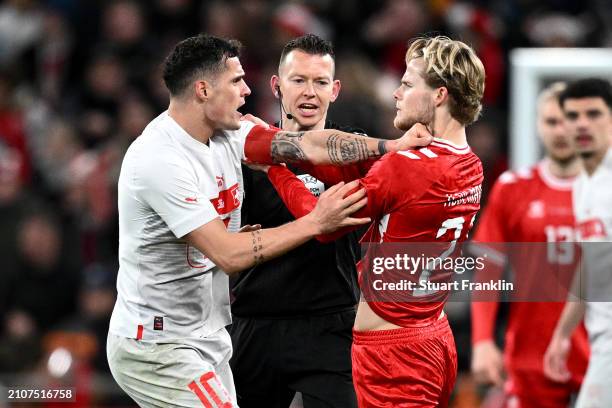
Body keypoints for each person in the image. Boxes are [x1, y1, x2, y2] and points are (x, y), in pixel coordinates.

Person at [106, 33, 427, 408]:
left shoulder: (231, 136)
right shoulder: (159, 160)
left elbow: (310, 145)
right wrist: (313, 222)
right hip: (162, 341)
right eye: (236, 81)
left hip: (219, 333)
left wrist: (391, 147)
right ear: (204, 90)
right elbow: (228, 254)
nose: (245, 90)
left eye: (320, 81)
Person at [245, 35, 485, 407]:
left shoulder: (404, 167)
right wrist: (283, 143)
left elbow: (323, 223)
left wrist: (275, 166)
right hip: (433, 335)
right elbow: (361, 169)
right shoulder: (470, 164)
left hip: (394, 352)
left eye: (407, 84)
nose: (396, 92)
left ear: (438, 95)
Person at [231, 34, 360, 408]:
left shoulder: (353, 152)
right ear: (276, 85)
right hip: (257, 323)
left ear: (334, 90)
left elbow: (337, 224)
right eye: (298, 80)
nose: (309, 92)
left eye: (320, 82)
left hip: (329, 325)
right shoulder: (242, 154)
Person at [470, 83, 589, 407]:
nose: (561, 130)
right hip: (529, 360)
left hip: (596, 355)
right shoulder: (513, 188)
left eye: (569, 119)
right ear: (538, 125)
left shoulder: (605, 193)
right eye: (552, 121)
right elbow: (488, 269)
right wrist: (481, 340)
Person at [544, 78, 612, 408]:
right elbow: (592, 262)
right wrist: (563, 333)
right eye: (572, 116)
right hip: (602, 339)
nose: (582, 124)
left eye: (594, 114)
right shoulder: (583, 183)